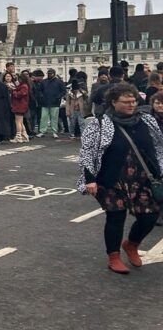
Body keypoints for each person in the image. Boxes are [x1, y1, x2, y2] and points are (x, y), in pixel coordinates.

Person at [77, 83, 163, 274]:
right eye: (126, 102)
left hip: (143, 177)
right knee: (116, 216)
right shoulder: (99, 124)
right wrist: (89, 179)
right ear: (113, 102)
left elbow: (158, 147)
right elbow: (87, 153)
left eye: (133, 101)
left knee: (149, 216)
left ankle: (132, 244)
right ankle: (113, 256)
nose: (131, 105)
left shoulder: (146, 121)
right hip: (112, 177)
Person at [37, 68, 67, 138]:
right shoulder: (44, 82)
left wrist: (58, 97)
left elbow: (63, 91)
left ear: (54, 74)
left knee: (54, 118)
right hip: (46, 102)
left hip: (54, 102)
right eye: (48, 73)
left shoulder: (58, 82)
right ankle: (43, 131)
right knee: (44, 117)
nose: (49, 75)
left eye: (50, 73)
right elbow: (40, 90)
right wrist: (41, 96)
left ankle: (54, 131)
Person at [8, 72, 30, 143]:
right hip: (22, 105)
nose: (18, 80)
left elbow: (19, 95)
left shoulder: (24, 86)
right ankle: (24, 135)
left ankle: (18, 137)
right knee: (21, 122)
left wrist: (13, 90)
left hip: (19, 105)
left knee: (18, 121)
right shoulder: (24, 85)